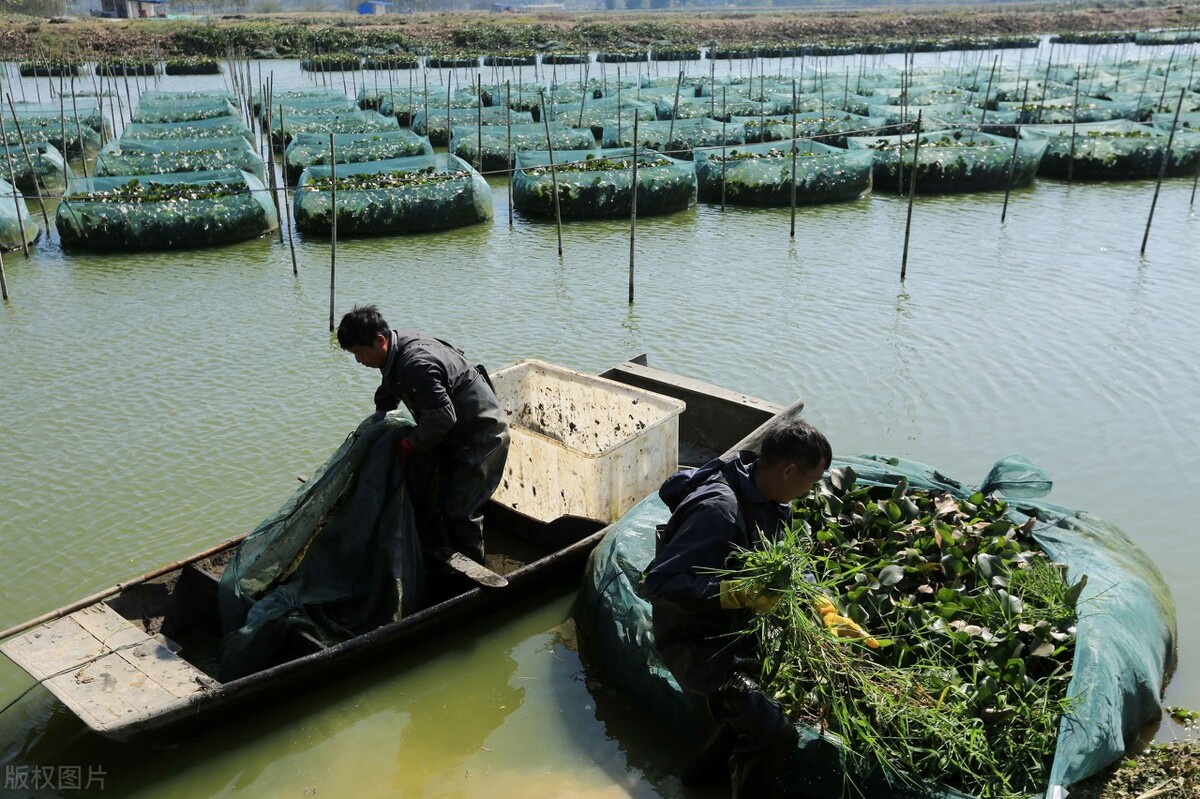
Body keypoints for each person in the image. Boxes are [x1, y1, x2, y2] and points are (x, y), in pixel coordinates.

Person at [641, 417, 833, 798]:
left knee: (731, 723)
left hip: (731, 629)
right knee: (775, 730)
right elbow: (659, 583)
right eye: (811, 482)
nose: (810, 491)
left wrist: (822, 603)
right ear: (789, 470)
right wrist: (735, 593)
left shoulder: (773, 499)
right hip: (693, 639)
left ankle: (699, 784)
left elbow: (789, 562)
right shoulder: (718, 510)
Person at [336, 304, 510, 565]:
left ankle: (473, 573)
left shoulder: (416, 363)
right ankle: (441, 554)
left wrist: (410, 442)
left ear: (380, 341)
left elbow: (442, 416)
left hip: (481, 435)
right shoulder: (396, 349)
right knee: (434, 497)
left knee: (459, 512)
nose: (358, 360)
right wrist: (379, 419)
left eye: (359, 353)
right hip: (454, 432)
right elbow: (390, 386)